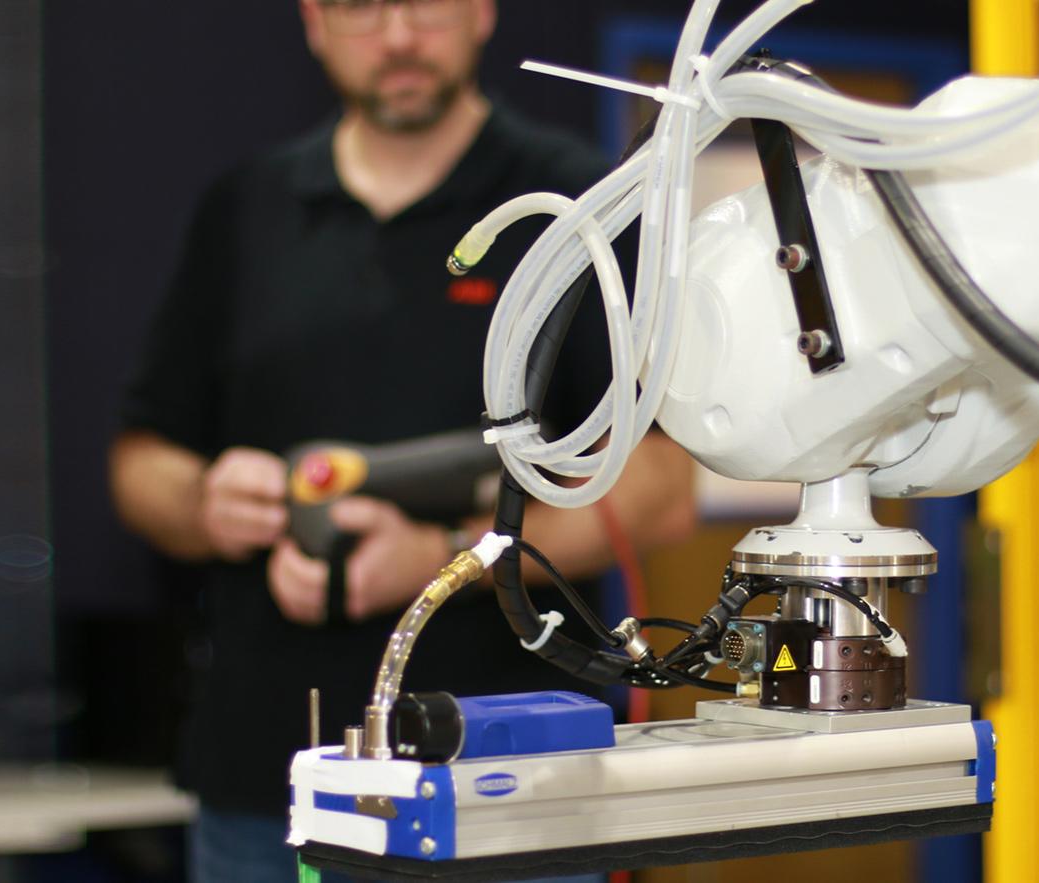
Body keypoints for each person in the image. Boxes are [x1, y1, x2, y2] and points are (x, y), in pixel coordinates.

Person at [107, 1, 697, 880]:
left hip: (510, 780)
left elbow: (660, 486)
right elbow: (140, 461)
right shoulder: (245, 210)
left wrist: (445, 556)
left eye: (424, 4)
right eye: (359, 7)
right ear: (312, 21)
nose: (396, 38)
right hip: (267, 786)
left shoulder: (572, 208)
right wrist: (204, 502)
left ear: (480, 13)